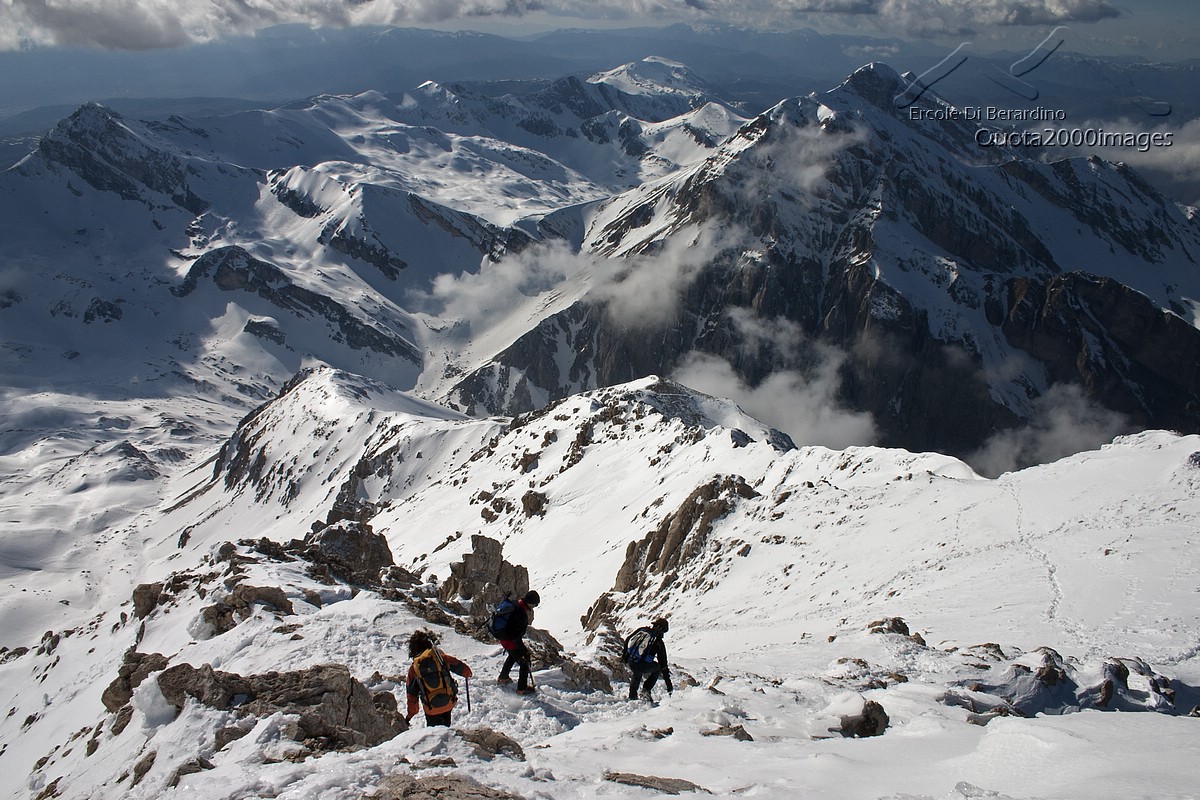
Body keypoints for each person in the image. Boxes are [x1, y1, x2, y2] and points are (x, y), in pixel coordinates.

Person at [405, 629, 472, 727]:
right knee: (446, 727)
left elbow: (412, 696)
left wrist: (409, 716)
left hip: (431, 708)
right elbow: (460, 667)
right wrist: (467, 673)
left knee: (433, 731)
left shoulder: (414, 668)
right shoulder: (439, 658)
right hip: (448, 702)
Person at [496, 590, 540, 694]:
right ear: (530, 603)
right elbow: (515, 635)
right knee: (524, 661)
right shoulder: (521, 614)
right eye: (534, 605)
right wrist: (523, 649)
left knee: (513, 655)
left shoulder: (516, 604)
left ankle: (503, 677)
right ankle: (522, 689)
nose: (533, 607)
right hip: (509, 641)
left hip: (503, 638)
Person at [625, 618, 672, 702]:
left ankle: (632, 696)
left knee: (637, 672)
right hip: (641, 665)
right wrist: (669, 684)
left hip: (630, 659)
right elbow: (663, 664)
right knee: (657, 668)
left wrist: (625, 656)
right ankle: (646, 690)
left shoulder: (642, 630)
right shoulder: (658, 642)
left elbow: (628, 639)